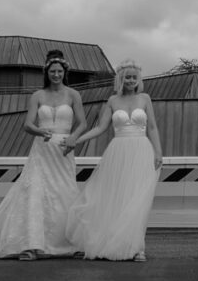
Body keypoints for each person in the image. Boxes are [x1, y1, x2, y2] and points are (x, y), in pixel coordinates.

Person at [0, 50, 86, 260]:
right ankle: (33, 244)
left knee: (65, 191)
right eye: (52, 71)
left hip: (64, 149)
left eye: (59, 71)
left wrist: (73, 138)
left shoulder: (73, 95)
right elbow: (27, 124)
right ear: (47, 72)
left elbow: (83, 123)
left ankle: (69, 241)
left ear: (65, 72)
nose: (56, 75)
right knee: (37, 193)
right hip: (42, 150)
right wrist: (39, 131)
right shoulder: (38, 95)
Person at [64, 60, 162, 261]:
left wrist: (158, 152)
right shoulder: (112, 101)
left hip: (141, 151)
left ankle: (136, 247)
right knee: (116, 196)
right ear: (120, 79)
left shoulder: (145, 98)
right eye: (127, 77)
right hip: (118, 153)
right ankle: (114, 242)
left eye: (134, 77)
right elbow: (100, 128)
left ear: (139, 79)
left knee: (136, 199)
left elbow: (152, 127)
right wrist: (76, 139)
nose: (131, 80)